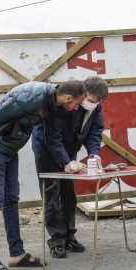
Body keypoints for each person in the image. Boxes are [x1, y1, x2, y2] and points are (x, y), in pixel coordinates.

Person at [0, 81, 85, 270]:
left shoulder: (51, 102)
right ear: (68, 98)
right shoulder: (35, 95)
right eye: (77, 104)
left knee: (11, 199)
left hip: (9, 148)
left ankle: (17, 254)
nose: (76, 109)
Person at [32, 77, 108, 259]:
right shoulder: (62, 104)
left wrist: (93, 153)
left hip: (70, 149)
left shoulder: (95, 106)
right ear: (80, 95)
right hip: (47, 150)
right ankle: (57, 240)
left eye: (96, 103)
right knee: (51, 195)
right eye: (90, 101)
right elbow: (52, 137)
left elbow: (95, 131)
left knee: (69, 195)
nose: (92, 105)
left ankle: (69, 237)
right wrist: (66, 162)